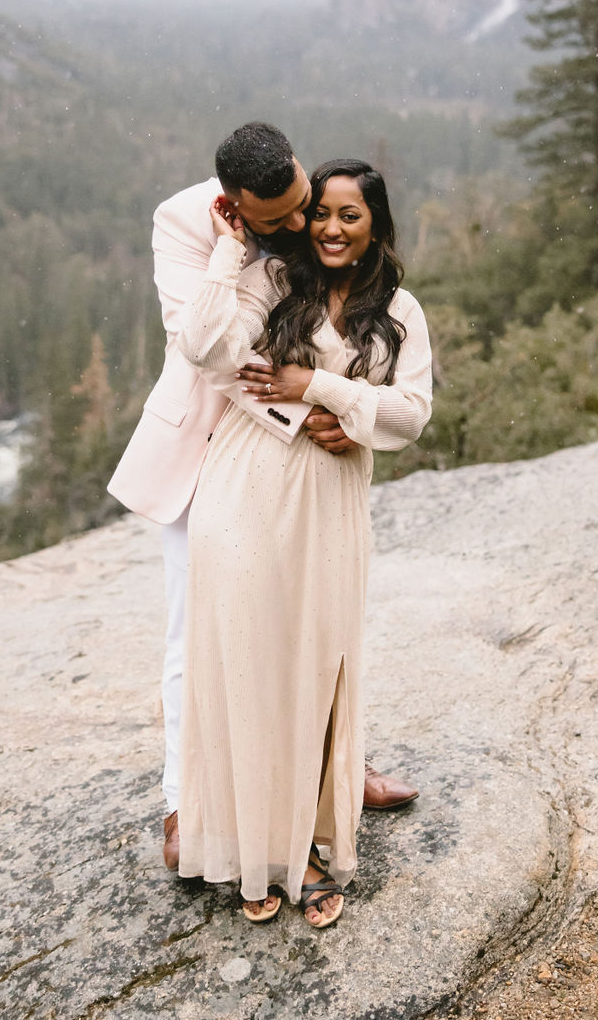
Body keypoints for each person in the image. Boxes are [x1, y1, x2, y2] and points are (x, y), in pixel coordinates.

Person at [107, 124, 419, 875]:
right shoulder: (181, 224)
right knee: (200, 630)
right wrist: (306, 416)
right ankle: (189, 803)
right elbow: (215, 357)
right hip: (210, 445)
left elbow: (349, 324)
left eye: (304, 206)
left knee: (317, 617)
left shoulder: (304, 204)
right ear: (234, 205)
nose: (300, 229)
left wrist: (343, 412)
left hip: (306, 444)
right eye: (277, 222)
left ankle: (333, 776)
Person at [175, 158, 433, 926]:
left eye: (349, 214)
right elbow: (204, 347)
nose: (329, 226)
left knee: (319, 666)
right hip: (246, 490)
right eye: (319, 212)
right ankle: (251, 849)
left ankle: (311, 846)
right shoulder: (272, 282)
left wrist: (322, 392)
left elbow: (411, 414)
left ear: (376, 225)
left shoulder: (402, 310)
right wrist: (228, 250)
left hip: (328, 501)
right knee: (247, 663)